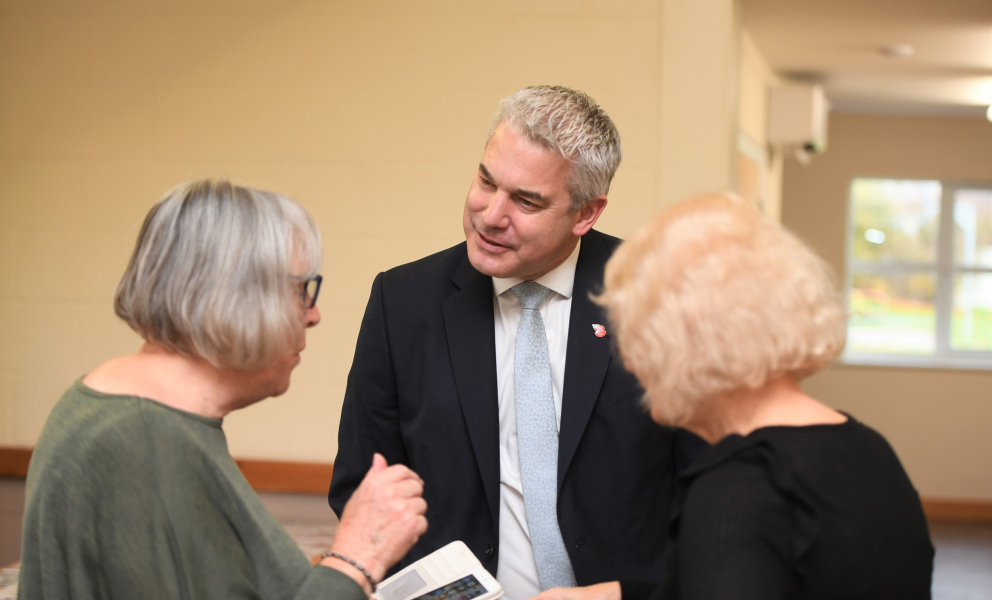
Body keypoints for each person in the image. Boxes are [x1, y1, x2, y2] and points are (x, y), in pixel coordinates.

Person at [329, 86, 694, 600]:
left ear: (587, 214)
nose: (490, 215)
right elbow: (361, 486)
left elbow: (709, 494)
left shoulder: (660, 297)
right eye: (486, 181)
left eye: (526, 201)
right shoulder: (404, 302)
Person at [19, 180, 428, 600]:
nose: (314, 314)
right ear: (236, 300)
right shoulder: (144, 444)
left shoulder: (122, 410)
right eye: (300, 290)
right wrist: (355, 560)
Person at [532, 194, 934, 600]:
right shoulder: (868, 450)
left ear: (686, 345)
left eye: (635, 338)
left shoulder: (739, 491)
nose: (632, 365)